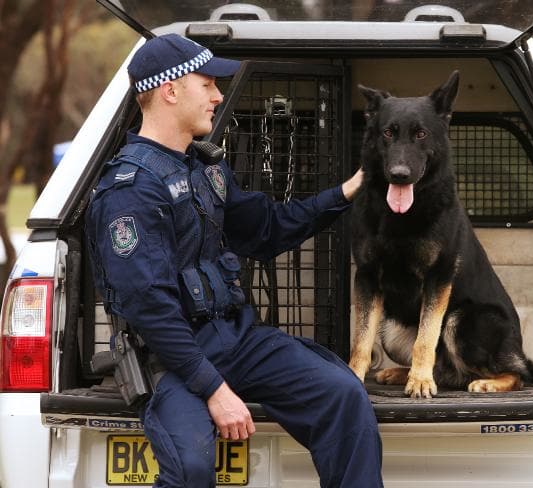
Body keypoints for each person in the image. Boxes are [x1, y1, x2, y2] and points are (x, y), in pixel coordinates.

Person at [85, 33, 383, 488]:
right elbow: (151, 310)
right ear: (170, 90)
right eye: (207, 84)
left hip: (235, 339)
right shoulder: (131, 189)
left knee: (342, 395)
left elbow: (264, 229)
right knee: (192, 468)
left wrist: (348, 190)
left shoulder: (204, 167)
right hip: (171, 359)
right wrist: (216, 390)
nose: (218, 95)